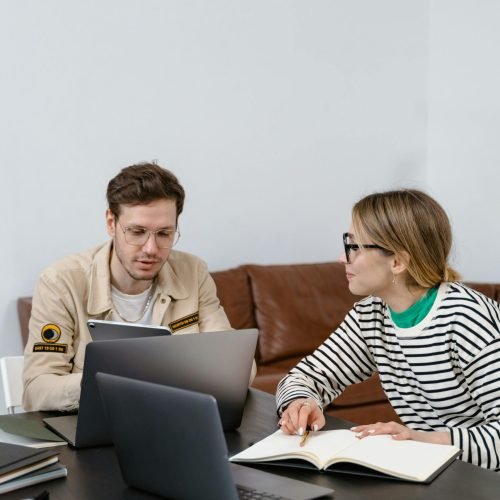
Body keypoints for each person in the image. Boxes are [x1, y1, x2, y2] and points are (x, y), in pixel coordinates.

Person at [276, 189, 500, 471]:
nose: (342, 258)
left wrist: (422, 441)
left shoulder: (467, 319)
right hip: (435, 473)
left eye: (355, 247)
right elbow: (306, 376)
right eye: (348, 244)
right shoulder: (370, 315)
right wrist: (301, 402)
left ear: (397, 262)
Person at [23, 162, 255, 411]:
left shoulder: (193, 272)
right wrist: (109, 383)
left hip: (175, 418)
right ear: (111, 223)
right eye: (137, 231)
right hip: (98, 422)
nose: (151, 249)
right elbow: (36, 390)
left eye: (164, 234)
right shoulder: (61, 282)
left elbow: (237, 365)